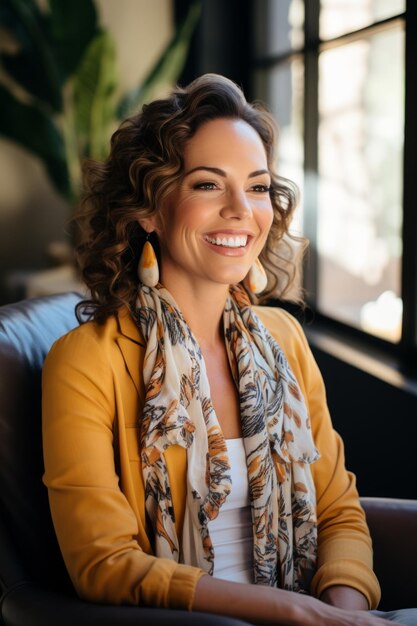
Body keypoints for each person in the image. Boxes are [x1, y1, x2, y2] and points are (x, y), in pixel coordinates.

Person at [42, 74, 416, 626]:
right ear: (147, 209)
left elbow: (338, 511)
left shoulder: (284, 340)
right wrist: (291, 613)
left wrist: (342, 612)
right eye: (207, 185)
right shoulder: (86, 361)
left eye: (259, 186)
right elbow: (105, 563)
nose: (243, 209)